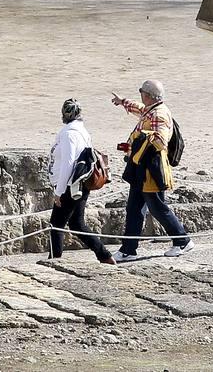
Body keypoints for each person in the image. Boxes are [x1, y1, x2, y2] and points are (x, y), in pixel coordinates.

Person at [110, 79, 191, 261]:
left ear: (147, 95)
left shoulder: (159, 115)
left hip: (151, 168)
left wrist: (140, 137)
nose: (141, 96)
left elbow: (161, 141)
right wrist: (123, 101)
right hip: (141, 167)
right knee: (134, 208)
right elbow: (140, 109)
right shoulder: (152, 109)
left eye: (141, 92)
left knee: (157, 208)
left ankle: (183, 241)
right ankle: (128, 250)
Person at [47, 98, 115, 264]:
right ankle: (104, 255)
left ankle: (54, 260)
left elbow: (68, 164)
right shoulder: (83, 132)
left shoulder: (69, 134)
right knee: (77, 224)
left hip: (71, 186)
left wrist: (59, 191)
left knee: (56, 224)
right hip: (81, 184)